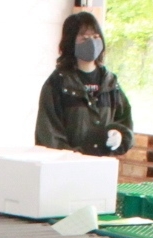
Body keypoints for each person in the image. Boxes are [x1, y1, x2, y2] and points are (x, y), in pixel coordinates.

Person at [35, 10, 134, 157]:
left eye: (95, 36)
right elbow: (49, 134)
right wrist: (74, 157)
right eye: (84, 38)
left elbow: (124, 120)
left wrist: (120, 135)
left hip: (101, 166)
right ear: (70, 42)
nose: (92, 42)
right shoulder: (57, 84)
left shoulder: (111, 83)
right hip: (66, 169)